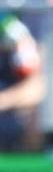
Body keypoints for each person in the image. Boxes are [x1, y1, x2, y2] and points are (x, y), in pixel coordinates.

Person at [0, 12, 43, 151]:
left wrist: (4, 100)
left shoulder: (11, 27)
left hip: (14, 113)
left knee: (36, 121)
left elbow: (37, 88)